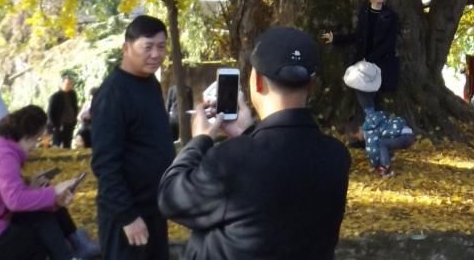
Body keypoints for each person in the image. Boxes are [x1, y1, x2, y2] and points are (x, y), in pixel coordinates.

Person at [159, 26, 351, 259]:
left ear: (257, 82)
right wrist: (248, 132)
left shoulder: (234, 159)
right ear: (312, 85)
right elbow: (276, 176)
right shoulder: (336, 156)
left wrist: (200, 139)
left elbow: (171, 198)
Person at [0, 105, 81, 260]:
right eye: (37, 139)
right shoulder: (5, 156)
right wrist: (55, 191)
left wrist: (37, 191)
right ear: (27, 136)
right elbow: (15, 201)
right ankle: (72, 251)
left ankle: (75, 248)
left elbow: (7, 196)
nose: (35, 146)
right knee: (42, 229)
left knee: (42, 213)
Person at [92, 15, 176, 259]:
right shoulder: (113, 94)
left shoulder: (150, 83)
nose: (156, 54)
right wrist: (127, 215)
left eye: (161, 47)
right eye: (147, 46)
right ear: (126, 48)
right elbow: (105, 164)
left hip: (154, 207)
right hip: (127, 215)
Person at [322, 0, 400, 111]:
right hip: (363, 60)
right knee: (359, 83)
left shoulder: (391, 16)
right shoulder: (364, 12)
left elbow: (389, 43)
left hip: (381, 62)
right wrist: (336, 39)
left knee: (373, 92)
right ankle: (373, 118)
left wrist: (369, 59)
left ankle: (374, 119)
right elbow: (359, 36)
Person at [343, 60, 416, 177]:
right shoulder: (378, 119)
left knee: (381, 144)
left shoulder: (369, 131)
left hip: (404, 137)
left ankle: (386, 169)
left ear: (359, 130)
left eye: (358, 137)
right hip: (407, 132)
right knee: (384, 140)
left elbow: (372, 151)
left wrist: (375, 164)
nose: (361, 140)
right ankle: (389, 155)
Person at [49, 76, 81, 149]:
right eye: (67, 83)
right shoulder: (55, 96)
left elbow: (75, 107)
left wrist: (74, 120)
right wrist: (55, 125)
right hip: (59, 125)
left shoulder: (73, 94)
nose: (69, 85)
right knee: (56, 145)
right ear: (62, 84)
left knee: (67, 144)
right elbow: (51, 112)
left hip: (70, 124)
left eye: (70, 84)